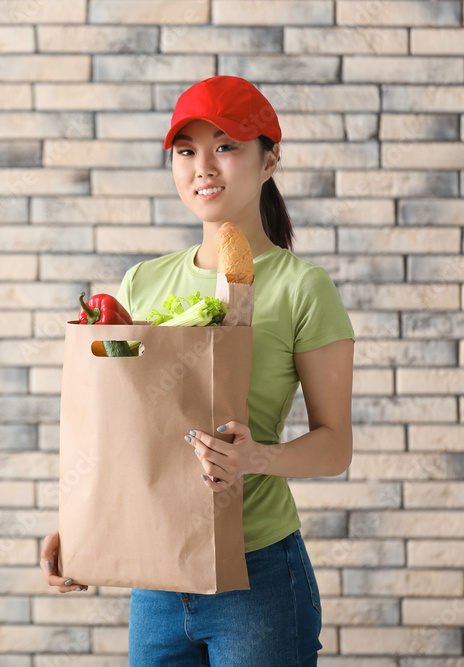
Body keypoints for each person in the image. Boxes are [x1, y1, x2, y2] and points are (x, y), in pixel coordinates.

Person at [40, 75, 356, 666]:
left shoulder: (302, 288)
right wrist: (83, 522)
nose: (203, 167)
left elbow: (335, 446)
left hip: (258, 577)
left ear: (270, 160)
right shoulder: (144, 281)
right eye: (186, 151)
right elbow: (122, 426)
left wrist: (257, 457)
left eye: (226, 146)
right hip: (156, 579)